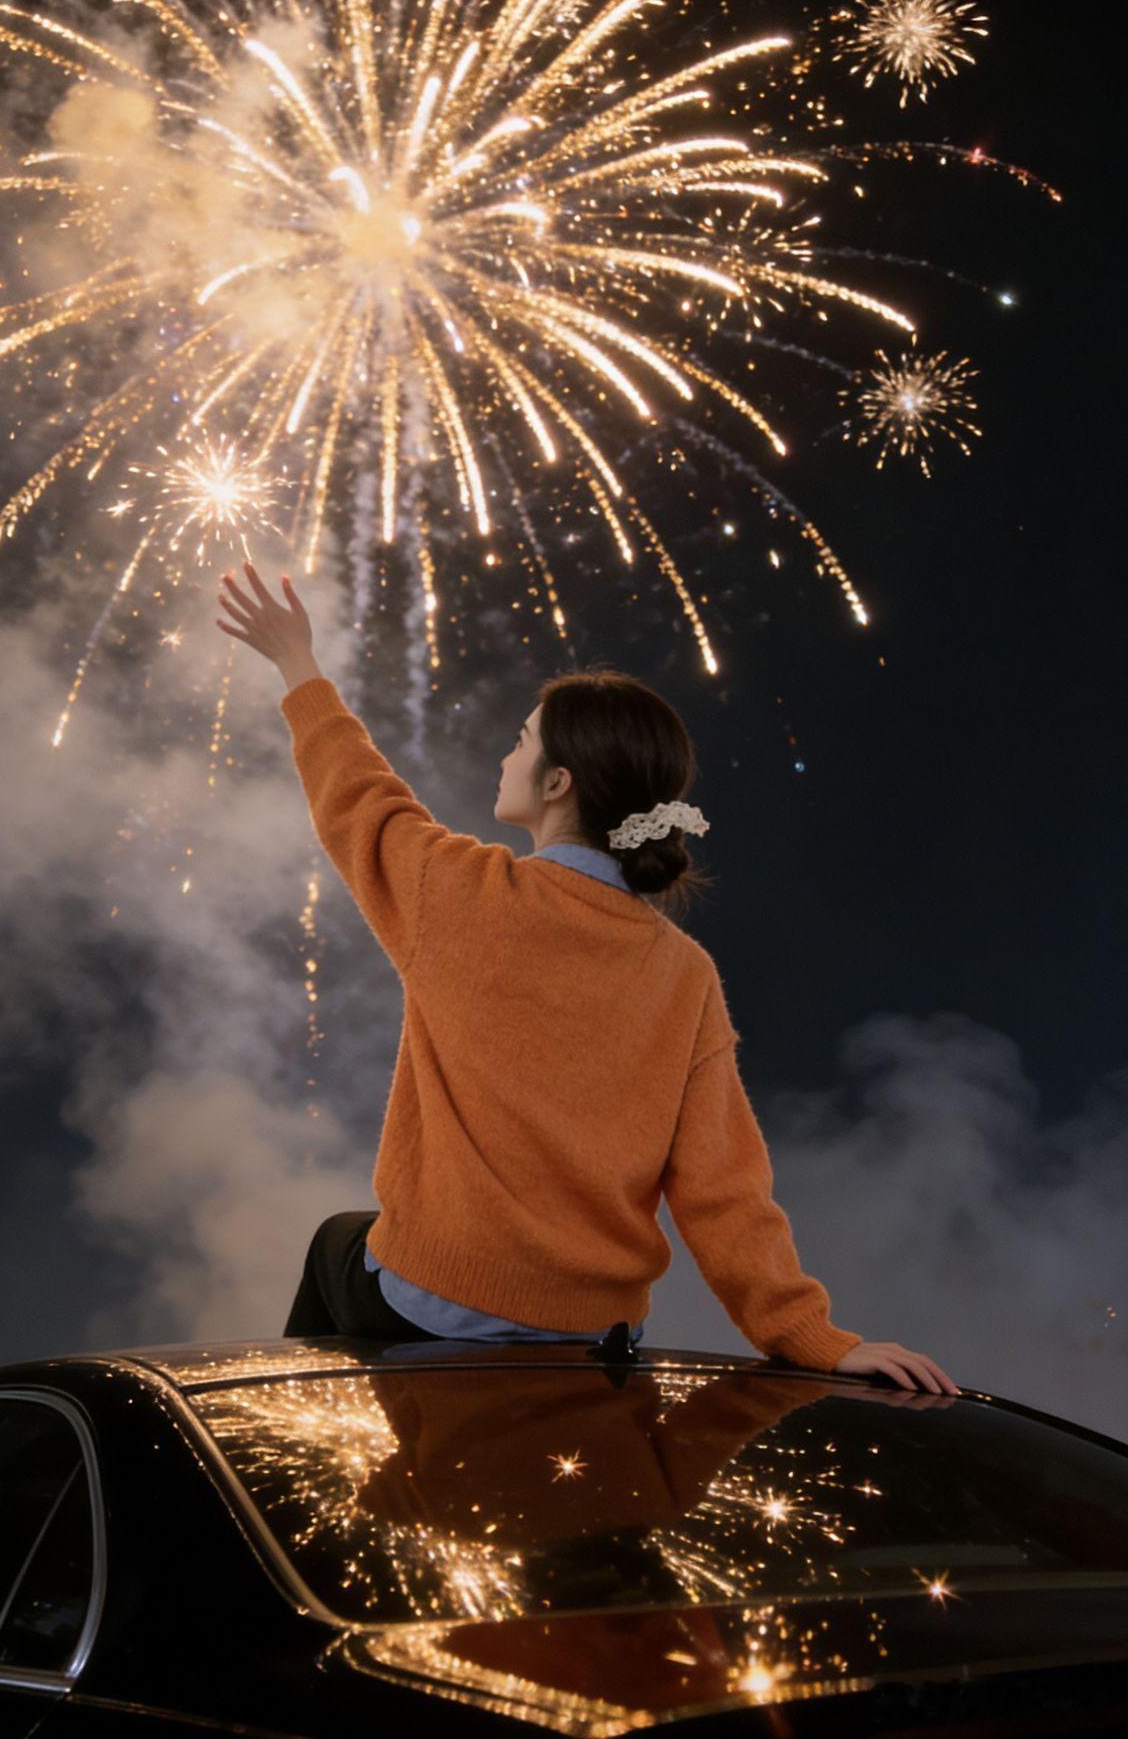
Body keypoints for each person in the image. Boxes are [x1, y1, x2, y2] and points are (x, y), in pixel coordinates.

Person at [216, 557, 959, 1395]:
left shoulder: (459, 893)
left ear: (558, 782)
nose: (508, 754)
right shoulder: (687, 974)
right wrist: (806, 1333)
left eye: (522, 740)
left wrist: (297, 665)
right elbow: (723, 1189)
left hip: (439, 1304)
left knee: (334, 1246)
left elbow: (357, 796)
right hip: (593, 1331)